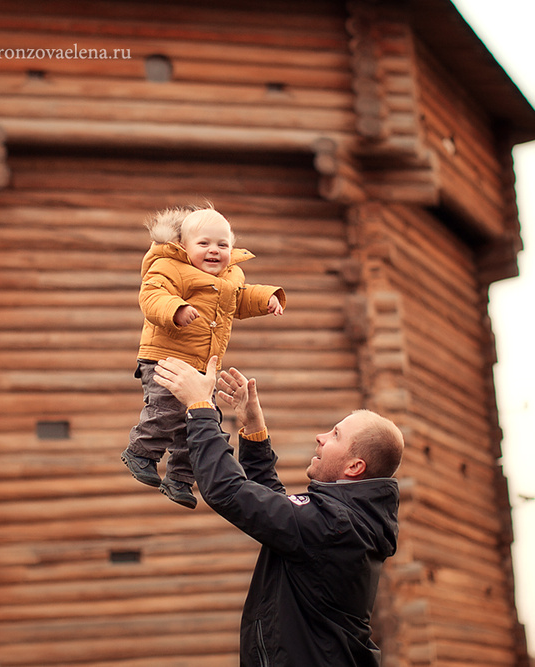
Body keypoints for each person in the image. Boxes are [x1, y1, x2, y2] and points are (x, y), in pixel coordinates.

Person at [154, 355, 404, 667]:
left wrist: (200, 408)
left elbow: (228, 491)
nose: (321, 437)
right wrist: (254, 430)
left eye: (335, 435)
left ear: (355, 467)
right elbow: (275, 511)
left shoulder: (336, 525)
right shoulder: (341, 522)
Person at [122, 203, 285, 508]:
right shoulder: (169, 267)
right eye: (204, 244)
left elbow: (241, 299)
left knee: (197, 421)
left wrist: (267, 299)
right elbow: (152, 296)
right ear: (183, 247)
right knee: (169, 411)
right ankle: (140, 452)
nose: (214, 251)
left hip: (200, 367)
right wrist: (177, 309)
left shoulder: (230, 278)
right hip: (165, 358)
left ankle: (180, 479)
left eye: (222, 245)